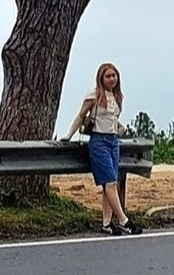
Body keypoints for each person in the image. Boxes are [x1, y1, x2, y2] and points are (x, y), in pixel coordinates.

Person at [64, 63, 141, 236]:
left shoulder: (117, 97)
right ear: (101, 78)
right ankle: (123, 220)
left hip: (114, 141)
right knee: (111, 182)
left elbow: (114, 120)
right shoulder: (93, 96)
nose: (112, 79)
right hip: (99, 141)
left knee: (110, 183)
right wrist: (69, 135)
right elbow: (81, 115)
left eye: (114, 75)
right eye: (108, 76)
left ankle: (107, 223)